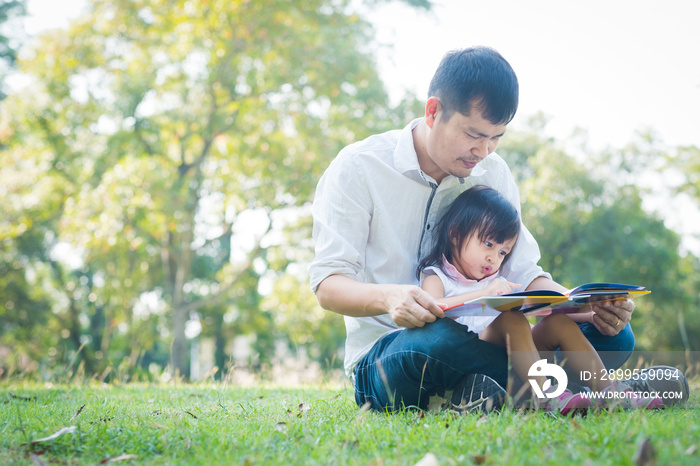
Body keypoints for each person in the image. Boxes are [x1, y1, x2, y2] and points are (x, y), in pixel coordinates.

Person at [310, 45, 684, 413]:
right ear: (433, 111)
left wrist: (586, 307)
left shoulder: (493, 173)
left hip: (496, 342)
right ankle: (578, 388)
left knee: (615, 337)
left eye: (497, 137)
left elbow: (525, 275)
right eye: (474, 135)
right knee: (434, 343)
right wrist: (391, 298)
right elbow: (329, 286)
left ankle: (493, 393)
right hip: (396, 352)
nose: (484, 151)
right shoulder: (360, 167)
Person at [418, 185, 663, 412]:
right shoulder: (437, 276)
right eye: (488, 244)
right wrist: (484, 293)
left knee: (557, 322)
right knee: (511, 320)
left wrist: (592, 313)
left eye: (503, 252)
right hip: (474, 352)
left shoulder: (498, 279)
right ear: (455, 234)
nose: (494, 258)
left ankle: (610, 392)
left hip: (518, 355)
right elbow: (432, 308)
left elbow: (537, 310)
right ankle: (547, 396)